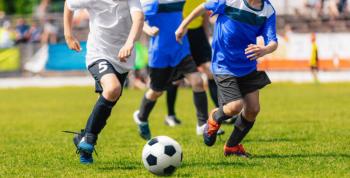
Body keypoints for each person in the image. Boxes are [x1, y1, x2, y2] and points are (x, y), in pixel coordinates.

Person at [176, 0, 278, 157]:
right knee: (235, 106)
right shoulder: (230, 1)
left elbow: (273, 41)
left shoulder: (268, 10)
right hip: (224, 64)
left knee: (253, 109)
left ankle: (232, 146)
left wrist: (264, 49)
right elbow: (203, 7)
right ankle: (214, 117)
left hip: (247, 66)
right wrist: (183, 25)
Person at [63, 0, 144, 164]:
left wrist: (129, 43)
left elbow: (139, 18)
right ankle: (89, 140)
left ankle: (83, 138)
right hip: (98, 54)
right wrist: (68, 35)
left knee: (110, 97)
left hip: (123, 58)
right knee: (113, 88)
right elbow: (68, 5)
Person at [133, 0, 210, 140]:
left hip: (181, 50)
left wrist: (184, 26)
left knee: (198, 81)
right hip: (160, 54)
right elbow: (139, 19)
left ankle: (202, 125)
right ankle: (141, 117)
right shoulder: (151, 2)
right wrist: (149, 30)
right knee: (156, 91)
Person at [164, 0, 219, 128]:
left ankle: (221, 111)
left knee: (211, 72)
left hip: (198, 34)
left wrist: (206, 37)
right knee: (176, 80)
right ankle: (170, 115)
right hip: (181, 33)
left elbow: (205, 15)